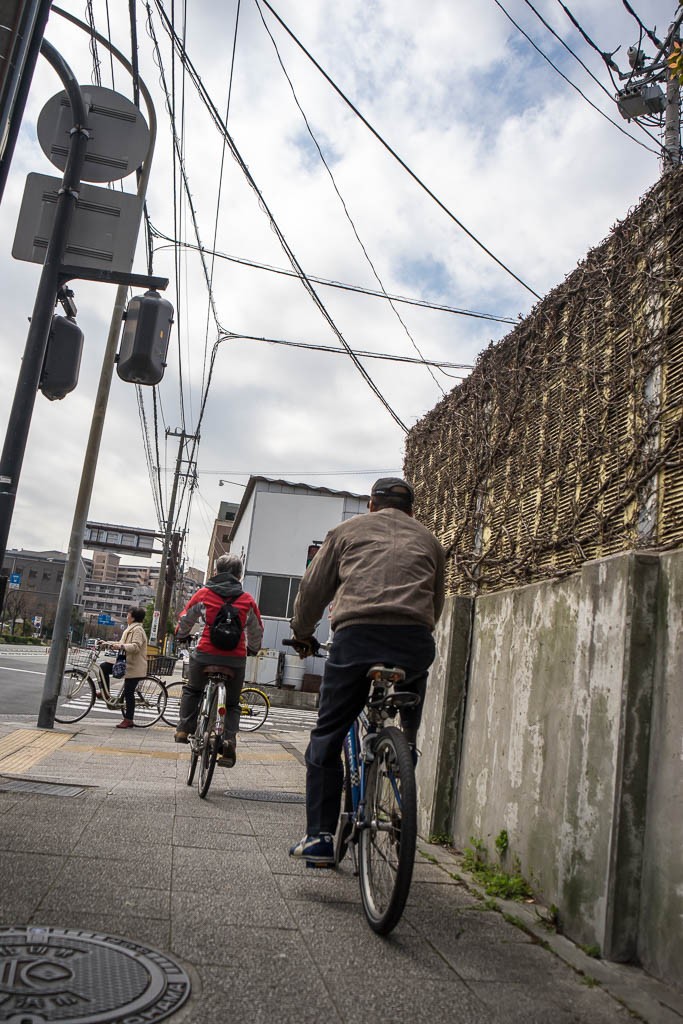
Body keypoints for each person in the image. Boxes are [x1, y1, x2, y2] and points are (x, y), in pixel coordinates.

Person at [288, 477, 446, 865]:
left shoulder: (345, 532)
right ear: (411, 510)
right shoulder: (430, 541)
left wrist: (303, 633)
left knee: (327, 735)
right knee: (412, 686)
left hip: (356, 640)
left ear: (371, 505)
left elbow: (312, 591)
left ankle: (321, 837)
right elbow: (436, 603)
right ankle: (405, 747)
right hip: (413, 643)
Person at [174, 553, 263, 767]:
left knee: (193, 690)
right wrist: (252, 648)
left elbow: (186, 619)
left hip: (205, 653)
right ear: (239, 575)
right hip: (235, 658)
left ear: (216, 572)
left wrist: (181, 635)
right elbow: (257, 629)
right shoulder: (248, 600)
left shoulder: (204, 594)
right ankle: (229, 740)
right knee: (232, 704)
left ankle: (184, 728)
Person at [99, 607, 149, 729]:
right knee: (104, 667)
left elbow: (135, 647)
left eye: (128, 615)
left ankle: (129, 719)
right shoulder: (130, 629)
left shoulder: (138, 630)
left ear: (132, 617)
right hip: (126, 664)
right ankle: (105, 693)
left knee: (128, 692)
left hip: (134, 666)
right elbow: (121, 643)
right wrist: (108, 643)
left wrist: (120, 646)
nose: (126, 617)